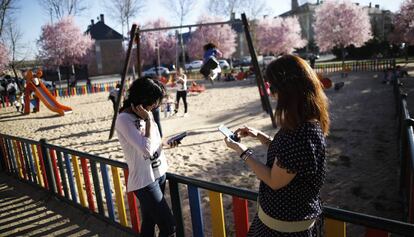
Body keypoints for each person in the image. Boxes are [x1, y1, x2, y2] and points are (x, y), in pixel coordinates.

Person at [223, 54, 329, 236]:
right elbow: (289, 160)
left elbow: (274, 180)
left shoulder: (302, 133)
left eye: (272, 85)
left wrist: (242, 151)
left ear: (288, 89)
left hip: (284, 229)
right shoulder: (301, 122)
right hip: (276, 221)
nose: (270, 91)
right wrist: (261, 137)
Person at [115, 77, 176, 237]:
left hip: (159, 174)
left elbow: (155, 141)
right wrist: (149, 119)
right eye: (153, 103)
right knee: (169, 227)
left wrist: (167, 143)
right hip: (144, 181)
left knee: (149, 223)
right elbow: (146, 150)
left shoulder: (146, 114)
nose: (155, 107)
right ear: (142, 100)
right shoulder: (124, 119)